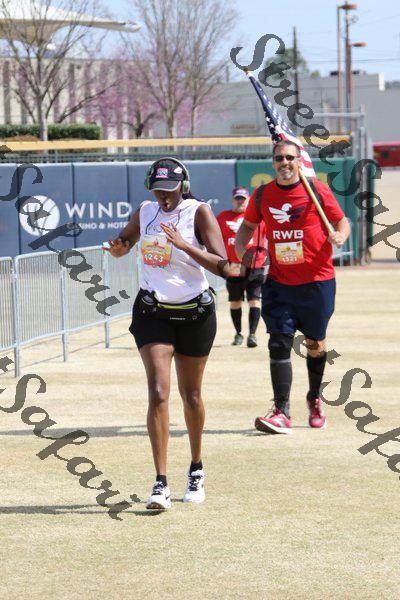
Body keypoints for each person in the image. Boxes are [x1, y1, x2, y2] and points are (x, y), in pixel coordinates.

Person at [104, 157, 229, 509]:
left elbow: (223, 265)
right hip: (153, 312)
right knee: (158, 391)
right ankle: (160, 482)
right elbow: (124, 243)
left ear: (183, 186)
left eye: (170, 190)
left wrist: (184, 245)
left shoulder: (199, 212)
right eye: (158, 190)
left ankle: (196, 468)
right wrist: (118, 250)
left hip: (194, 313)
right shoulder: (145, 212)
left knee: (192, 395)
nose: (164, 197)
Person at [235, 140, 351, 434]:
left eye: (289, 157)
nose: (284, 163)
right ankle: (281, 411)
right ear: (273, 162)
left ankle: (314, 398)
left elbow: (342, 221)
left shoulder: (317, 191)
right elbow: (247, 226)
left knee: (315, 345)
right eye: (279, 158)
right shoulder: (263, 194)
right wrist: (240, 249)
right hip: (279, 283)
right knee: (278, 342)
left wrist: (340, 235)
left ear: (299, 161)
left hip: (317, 283)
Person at [217, 187, 267, 348]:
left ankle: (252, 335)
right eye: (237, 198)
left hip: (255, 264)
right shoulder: (223, 217)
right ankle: (238, 333)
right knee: (235, 301)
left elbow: (268, 235)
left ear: (249, 200)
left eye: (243, 199)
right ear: (232, 200)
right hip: (234, 265)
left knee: (254, 300)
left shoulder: (258, 217)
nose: (240, 201)